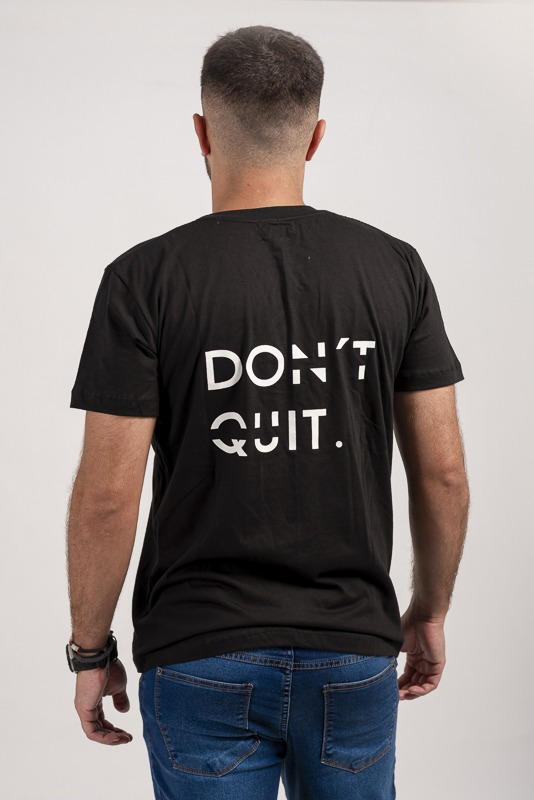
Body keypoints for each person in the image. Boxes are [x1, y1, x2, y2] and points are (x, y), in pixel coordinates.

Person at [65, 24, 470, 800]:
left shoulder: (144, 279)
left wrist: (89, 650)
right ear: (315, 137)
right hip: (352, 647)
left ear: (201, 133)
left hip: (200, 651)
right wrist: (429, 610)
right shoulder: (394, 269)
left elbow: (108, 495)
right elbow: (443, 472)